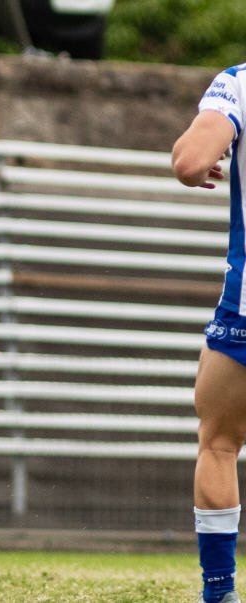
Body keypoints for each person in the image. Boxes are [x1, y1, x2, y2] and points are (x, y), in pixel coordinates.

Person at [172, 61, 246, 603]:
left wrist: (197, 168)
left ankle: (218, 593)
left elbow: (190, 159)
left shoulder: (241, 81)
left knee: (219, 443)